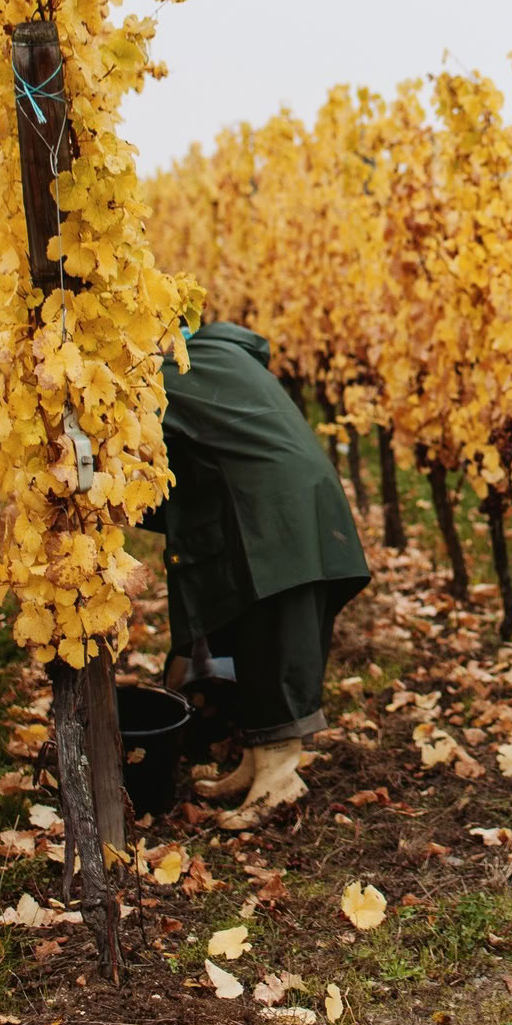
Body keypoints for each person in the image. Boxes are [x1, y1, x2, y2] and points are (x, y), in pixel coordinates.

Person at [145, 321, 372, 829]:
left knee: (275, 635)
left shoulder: (173, 371)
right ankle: (258, 761)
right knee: (258, 632)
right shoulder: (217, 356)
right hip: (289, 501)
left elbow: (143, 454)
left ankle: (280, 780)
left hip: (280, 510)